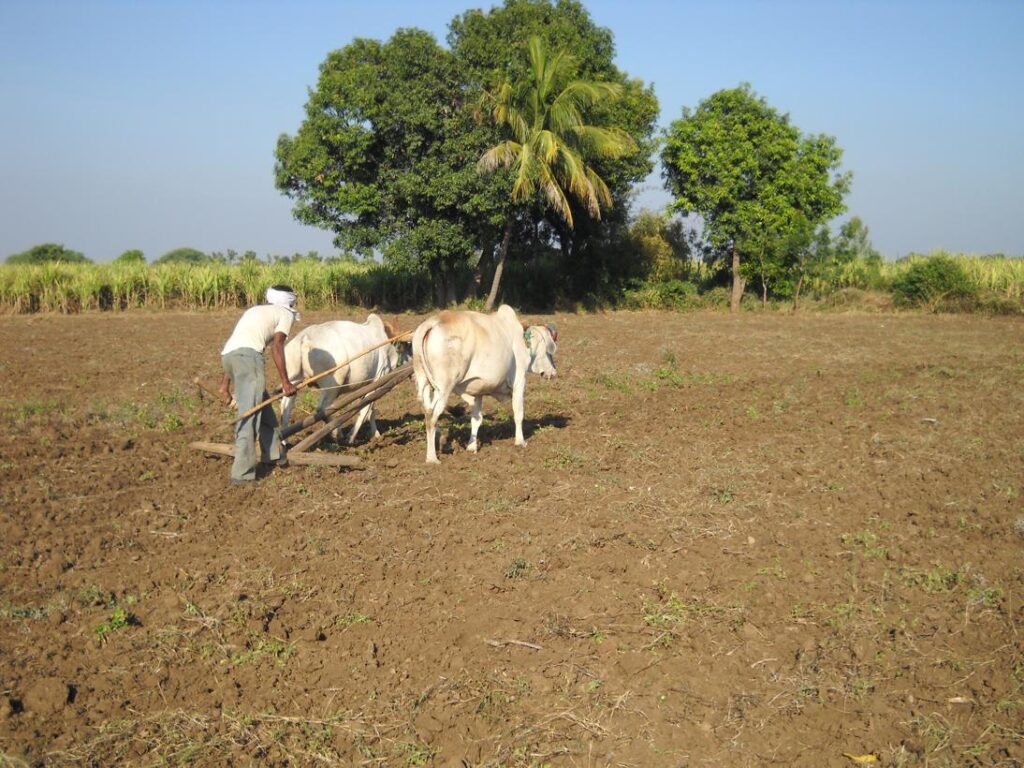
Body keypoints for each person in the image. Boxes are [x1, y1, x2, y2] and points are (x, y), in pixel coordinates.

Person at [218, 285, 300, 485]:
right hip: (249, 359)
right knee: (250, 415)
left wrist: (224, 384)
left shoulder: (254, 310)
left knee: (264, 409)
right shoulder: (284, 314)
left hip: (229, 358)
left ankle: (273, 455)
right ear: (289, 301)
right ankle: (242, 474)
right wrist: (286, 382)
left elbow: (235, 347)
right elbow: (277, 346)